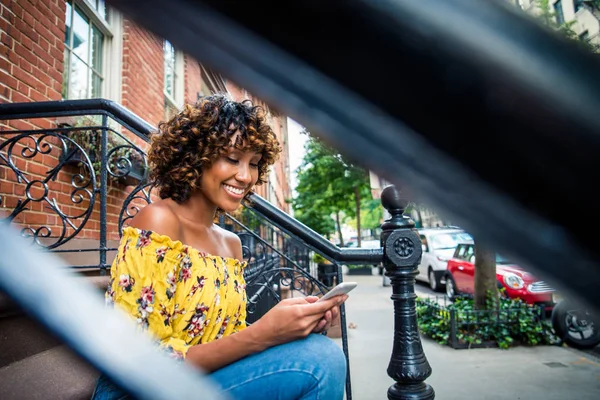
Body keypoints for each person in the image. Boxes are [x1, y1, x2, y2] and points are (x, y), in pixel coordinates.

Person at [92, 94, 348, 400]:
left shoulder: (231, 243)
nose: (245, 176)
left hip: (199, 381)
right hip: (137, 388)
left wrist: (291, 327)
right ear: (195, 156)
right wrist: (264, 334)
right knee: (320, 361)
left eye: (254, 164)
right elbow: (140, 362)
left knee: (317, 350)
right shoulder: (158, 221)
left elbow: (226, 341)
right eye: (232, 158)